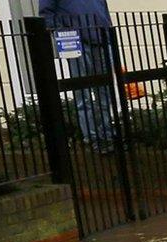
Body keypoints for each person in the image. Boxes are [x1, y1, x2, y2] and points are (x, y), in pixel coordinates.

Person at [40, 0, 114, 147]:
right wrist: (62, 32)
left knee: (105, 91)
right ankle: (93, 138)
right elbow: (46, 14)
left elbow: (103, 8)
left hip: (101, 37)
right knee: (82, 93)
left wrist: (107, 29)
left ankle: (107, 134)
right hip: (75, 40)